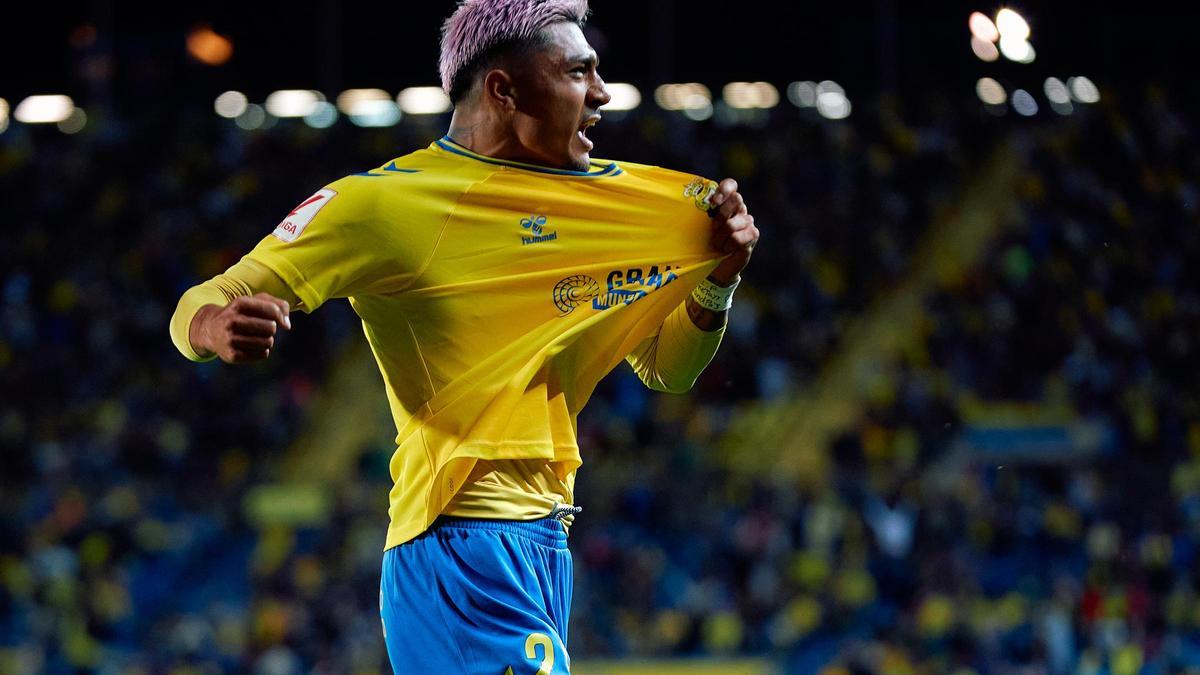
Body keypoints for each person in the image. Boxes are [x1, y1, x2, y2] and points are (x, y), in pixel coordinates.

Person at [169, 0, 758, 671]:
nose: (601, 92)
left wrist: (718, 282)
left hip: (542, 540)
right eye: (578, 72)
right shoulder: (386, 204)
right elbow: (208, 296)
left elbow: (667, 369)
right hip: (461, 538)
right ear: (503, 89)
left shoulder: (606, 213)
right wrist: (216, 324)